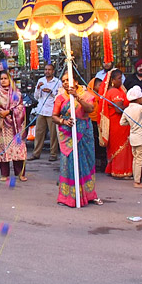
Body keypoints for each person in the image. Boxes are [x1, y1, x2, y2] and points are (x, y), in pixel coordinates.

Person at [52, 72, 102, 207]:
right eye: (63, 81)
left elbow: (90, 109)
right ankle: (67, 197)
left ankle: (89, 194)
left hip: (84, 134)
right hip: (67, 135)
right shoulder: (60, 98)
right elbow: (54, 116)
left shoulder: (86, 95)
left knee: (87, 163)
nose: (66, 83)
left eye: (68, 80)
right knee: (69, 165)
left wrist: (77, 97)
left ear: (76, 81)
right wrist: (63, 121)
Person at [100, 69, 134, 178]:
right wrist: (133, 107)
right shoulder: (114, 91)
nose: (121, 80)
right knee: (122, 147)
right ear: (113, 80)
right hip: (118, 124)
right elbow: (119, 109)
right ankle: (121, 171)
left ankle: (115, 169)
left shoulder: (117, 90)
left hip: (118, 124)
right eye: (119, 78)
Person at [0, 71, 27, 182]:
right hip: (2, 125)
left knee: (18, 148)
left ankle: (20, 173)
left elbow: (21, 108)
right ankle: (4, 173)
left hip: (15, 126)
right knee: (3, 148)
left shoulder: (17, 94)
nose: (3, 80)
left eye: (5, 78)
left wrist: (8, 112)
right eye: (1, 78)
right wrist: (0, 113)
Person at [30, 64, 60, 161]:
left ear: (53, 71)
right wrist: (38, 88)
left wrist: (51, 92)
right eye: (46, 70)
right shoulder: (41, 81)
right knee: (39, 133)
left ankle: (53, 154)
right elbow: (36, 97)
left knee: (53, 134)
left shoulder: (57, 82)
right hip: (41, 110)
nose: (47, 71)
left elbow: (60, 97)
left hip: (52, 110)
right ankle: (36, 153)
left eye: (49, 70)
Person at [120, 85, 142, 188]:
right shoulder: (140, 108)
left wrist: (132, 124)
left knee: (135, 159)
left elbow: (122, 123)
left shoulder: (127, 110)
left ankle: (136, 178)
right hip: (140, 137)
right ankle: (137, 181)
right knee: (139, 160)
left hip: (133, 138)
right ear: (138, 98)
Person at [87, 76, 107, 172]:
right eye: (99, 85)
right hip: (91, 122)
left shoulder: (101, 96)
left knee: (101, 144)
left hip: (99, 122)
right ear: (93, 86)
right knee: (93, 143)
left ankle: (101, 164)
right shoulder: (89, 97)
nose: (101, 87)